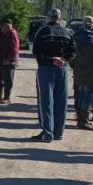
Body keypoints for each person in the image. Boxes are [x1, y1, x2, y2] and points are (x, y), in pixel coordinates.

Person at [31, 8, 76, 142]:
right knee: (61, 101)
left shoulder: (43, 31)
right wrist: (63, 59)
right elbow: (73, 51)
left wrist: (52, 59)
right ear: (60, 18)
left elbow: (36, 51)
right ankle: (58, 133)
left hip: (46, 68)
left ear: (48, 17)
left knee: (46, 101)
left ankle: (47, 133)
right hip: (62, 68)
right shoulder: (67, 32)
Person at [69, 29, 93, 130]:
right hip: (91, 77)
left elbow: (71, 60)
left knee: (80, 98)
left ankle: (80, 120)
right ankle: (84, 122)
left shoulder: (76, 45)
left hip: (78, 77)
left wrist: (76, 69)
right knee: (86, 100)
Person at [72, 16, 93, 122]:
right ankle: (82, 116)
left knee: (89, 92)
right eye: (87, 22)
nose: (89, 24)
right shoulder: (78, 35)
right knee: (82, 92)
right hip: (86, 68)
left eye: (90, 22)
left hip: (89, 68)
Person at [0, 19, 20, 104]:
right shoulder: (0, 34)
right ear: (1, 26)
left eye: (9, 26)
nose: (8, 28)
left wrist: (8, 59)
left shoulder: (12, 34)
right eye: (6, 26)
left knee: (8, 81)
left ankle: (6, 98)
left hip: (9, 62)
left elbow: (15, 49)